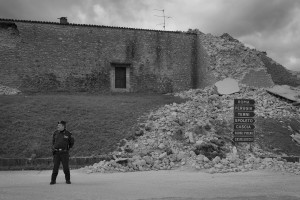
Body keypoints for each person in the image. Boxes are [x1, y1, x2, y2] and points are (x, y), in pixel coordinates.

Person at [50, 121, 74, 185]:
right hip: (56, 153)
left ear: (63, 126)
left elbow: (71, 142)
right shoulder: (55, 133)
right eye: (58, 125)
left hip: (64, 153)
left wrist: (67, 148)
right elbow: (53, 142)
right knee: (55, 167)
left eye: (59, 125)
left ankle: (68, 180)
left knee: (66, 167)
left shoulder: (68, 134)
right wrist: (54, 148)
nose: (58, 126)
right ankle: (53, 180)